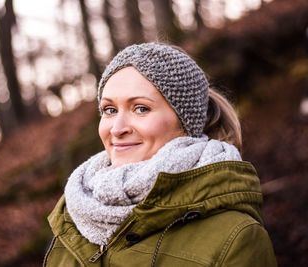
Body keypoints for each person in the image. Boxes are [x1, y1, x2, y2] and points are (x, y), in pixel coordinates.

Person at [44, 43, 277, 266]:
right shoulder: (72, 221)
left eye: (141, 108)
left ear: (187, 122)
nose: (117, 128)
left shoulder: (236, 237)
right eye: (110, 110)